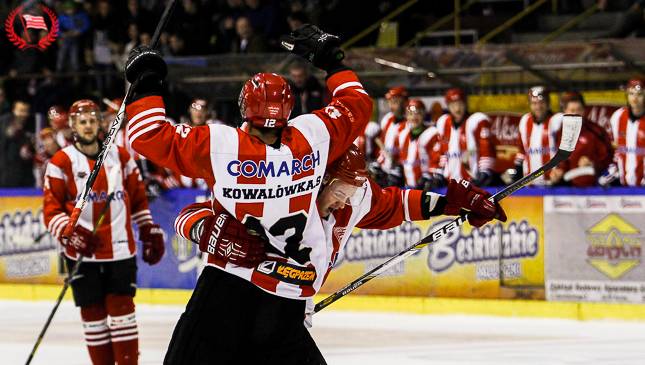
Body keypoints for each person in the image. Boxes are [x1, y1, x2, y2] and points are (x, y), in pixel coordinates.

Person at [123, 24, 372, 364]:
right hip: (288, 295)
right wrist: (332, 60)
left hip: (229, 285)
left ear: (243, 107)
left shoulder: (223, 145)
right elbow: (356, 104)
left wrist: (146, 81)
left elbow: (146, 134)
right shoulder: (314, 135)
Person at [173, 145, 507, 356]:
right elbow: (188, 214)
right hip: (235, 310)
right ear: (318, 180)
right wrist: (206, 231)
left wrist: (453, 204)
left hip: (286, 319)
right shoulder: (279, 193)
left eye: (351, 193)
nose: (344, 202)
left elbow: (395, 204)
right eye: (339, 192)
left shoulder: (355, 198)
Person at [43, 99, 165, 365]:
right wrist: (69, 232)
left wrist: (147, 229)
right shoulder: (60, 162)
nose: (88, 126)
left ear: (100, 123)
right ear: (73, 125)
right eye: (82, 121)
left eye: (92, 120)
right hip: (82, 254)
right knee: (93, 317)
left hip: (120, 249)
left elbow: (138, 198)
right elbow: (50, 211)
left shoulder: (121, 156)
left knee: (123, 314)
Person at [550, 92, 614, 187]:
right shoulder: (559, 134)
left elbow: (609, 159)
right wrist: (558, 172)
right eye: (572, 110)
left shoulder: (596, 131)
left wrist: (593, 163)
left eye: (579, 110)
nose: (575, 114)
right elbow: (560, 163)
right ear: (565, 112)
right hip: (569, 189)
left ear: (584, 111)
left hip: (596, 188)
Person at [435, 88, 496, 186]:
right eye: (453, 105)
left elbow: (487, 149)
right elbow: (442, 153)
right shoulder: (443, 123)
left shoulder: (476, 121)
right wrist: (439, 174)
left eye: (460, 104)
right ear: (448, 106)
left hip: (473, 184)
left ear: (465, 104)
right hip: (450, 185)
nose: (457, 109)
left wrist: (485, 171)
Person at [514, 86, 563, 185]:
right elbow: (521, 151)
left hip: (553, 184)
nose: (538, 107)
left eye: (542, 103)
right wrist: (518, 175)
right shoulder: (524, 121)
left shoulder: (557, 120)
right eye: (534, 103)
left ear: (548, 104)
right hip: (530, 185)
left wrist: (561, 170)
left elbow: (566, 153)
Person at [606, 78, 645, 186]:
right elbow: (614, 148)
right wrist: (611, 172)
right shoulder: (618, 116)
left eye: (639, 94)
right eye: (631, 93)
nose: (635, 98)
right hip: (622, 183)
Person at [397, 99, 442, 189]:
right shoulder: (402, 135)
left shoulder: (432, 133)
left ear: (424, 114)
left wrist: (431, 176)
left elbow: (439, 160)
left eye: (418, 113)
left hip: (429, 189)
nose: (414, 117)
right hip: (408, 188)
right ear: (406, 116)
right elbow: (402, 159)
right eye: (410, 114)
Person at [375, 86, 409, 186]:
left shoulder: (409, 123)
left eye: (395, 101)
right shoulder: (387, 118)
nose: (391, 105)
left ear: (404, 102)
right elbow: (379, 139)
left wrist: (399, 164)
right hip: (385, 169)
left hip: (401, 172)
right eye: (390, 101)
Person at [0, 100, 35, 187]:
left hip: (25, 176)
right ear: (13, 110)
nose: (23, 114)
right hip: (5, 174)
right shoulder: (4, 121)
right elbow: (7, 135)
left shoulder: (31, 124)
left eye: (26, 111)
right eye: (21, 110)